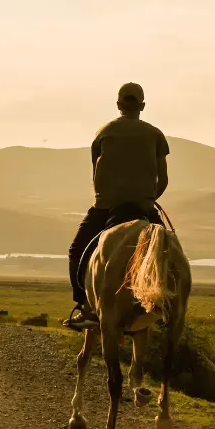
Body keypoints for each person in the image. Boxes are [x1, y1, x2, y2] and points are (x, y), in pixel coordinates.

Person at [67, 82, 170, 324]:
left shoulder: (104, 133)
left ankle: (84, 306)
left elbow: (96, 175)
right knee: (166, 252)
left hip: (106, 208)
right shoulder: (155, 134)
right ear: (142, 106)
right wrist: (148, 200)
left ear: (118, 105)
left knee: (77, 251)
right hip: (143, 207)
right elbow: (163, 179)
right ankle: (167, 307)